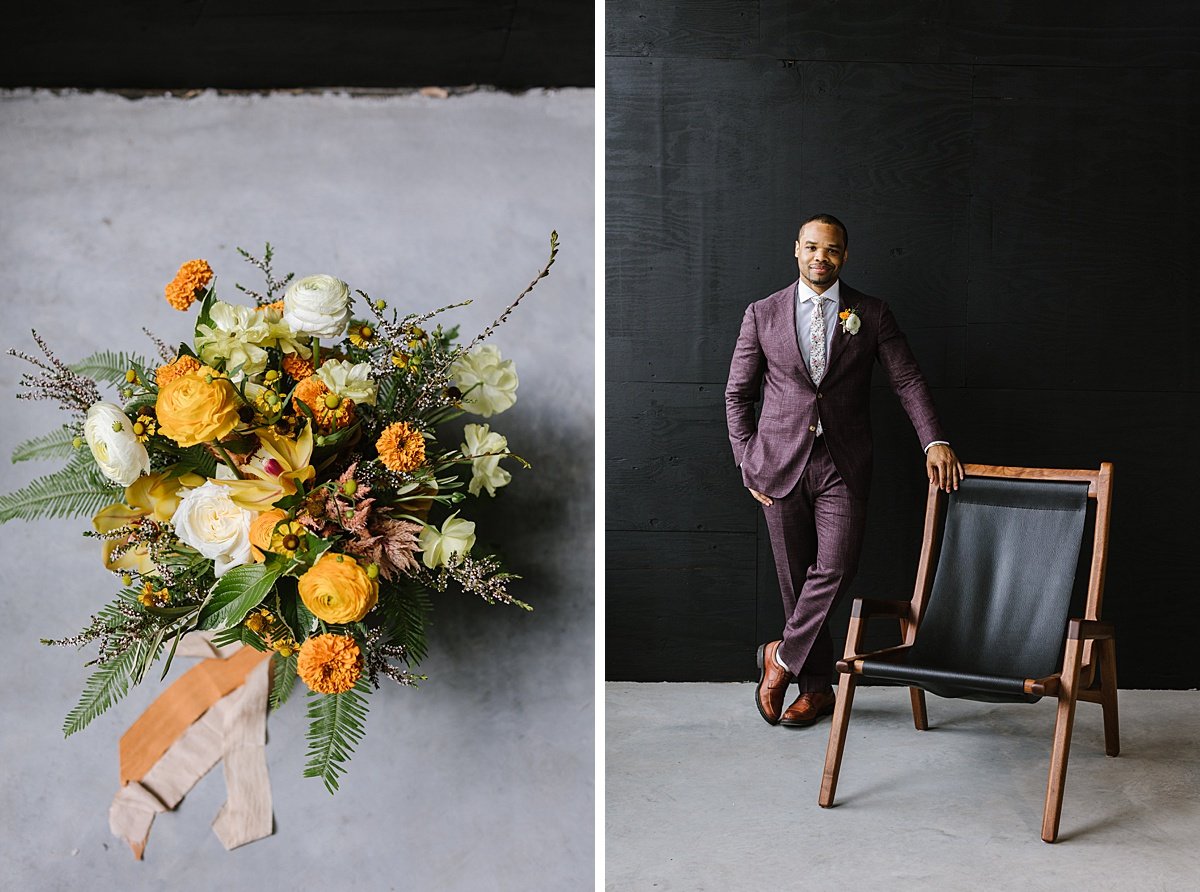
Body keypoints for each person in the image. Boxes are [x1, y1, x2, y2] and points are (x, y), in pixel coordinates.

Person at [725, 213, 962, 728]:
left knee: (835, 567)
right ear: (796, 249)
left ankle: (781, 657)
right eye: (811, 247)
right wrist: (748, 462)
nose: (820, 257)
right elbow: (738, 395)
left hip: (843, 464)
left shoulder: (871, 314)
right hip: (777, 466)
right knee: (794, 582)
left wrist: (934, 441)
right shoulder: (762, 313)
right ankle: (816, 691)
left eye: (830, 250)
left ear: (844, 256)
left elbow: (908, 380)